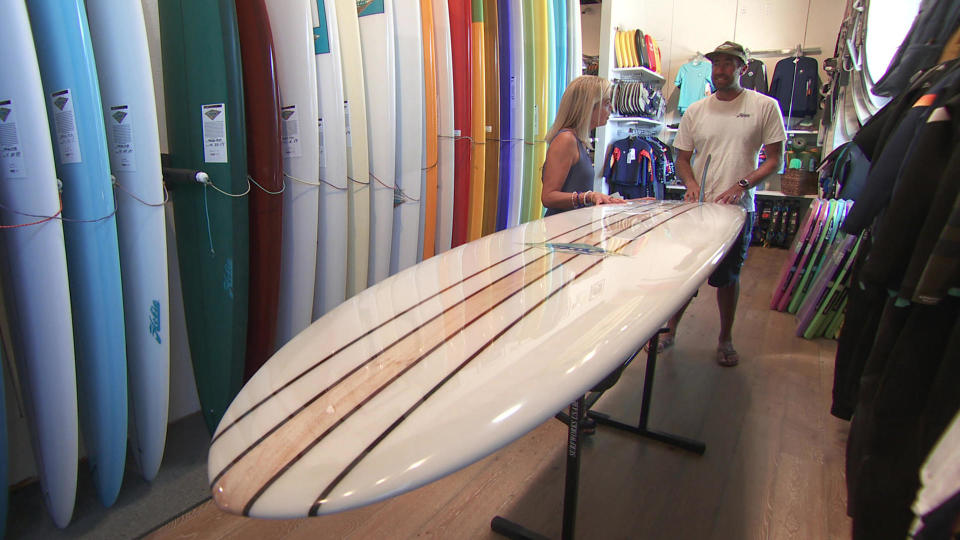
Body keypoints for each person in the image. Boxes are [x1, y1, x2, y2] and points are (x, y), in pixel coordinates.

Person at [665, 41, 786, 366]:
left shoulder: (764, 106)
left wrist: (742, 184)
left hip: (736, 211)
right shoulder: (696, 111)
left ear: (743, 69)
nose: (720, 69)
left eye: (728, 63)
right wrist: (690, 184)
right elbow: (682, 158)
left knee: (727, 278)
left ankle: (725, 338)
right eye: (716, 63)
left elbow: (775, 160)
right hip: (698, 210)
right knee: (684, 274)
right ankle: (671, 329)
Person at [542, 75, 625, 214]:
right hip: (562, 230)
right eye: (606, 103)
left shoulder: (577, 140)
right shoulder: (566, 140)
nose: (611, 107)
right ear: (588, 106)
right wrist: (589, 196)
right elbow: (548, 197)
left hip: (573, 227)